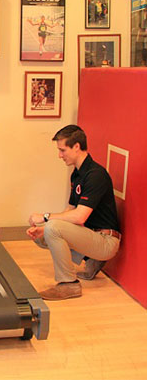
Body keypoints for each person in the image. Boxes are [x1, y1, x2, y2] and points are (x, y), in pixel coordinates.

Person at [26, 125, 121, 301]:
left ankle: (69, 284)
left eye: (63, 150)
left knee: (52, 228)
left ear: (76, 146)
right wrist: (43, 227)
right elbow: (70, 211)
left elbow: (79, 217)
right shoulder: (77, 174)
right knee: (44, 235)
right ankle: (91, 259)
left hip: (106, 241)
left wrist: (46, 217)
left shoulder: (96, 175)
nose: (59, 155)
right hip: (91, 234)